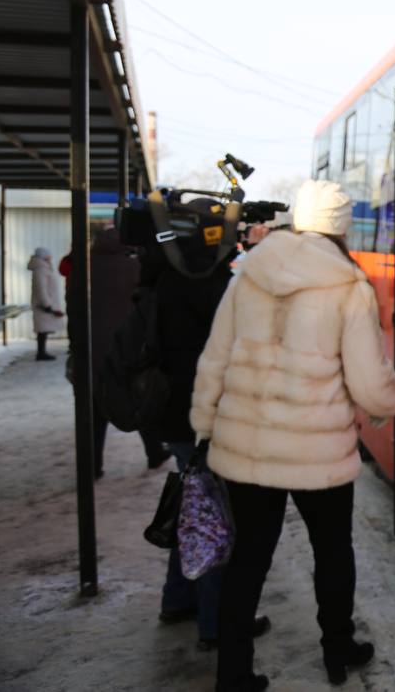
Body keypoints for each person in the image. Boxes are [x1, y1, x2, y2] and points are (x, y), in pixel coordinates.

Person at [192, 180, 395, 691]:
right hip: (318, 451)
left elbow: (215, 356)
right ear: (339, 227)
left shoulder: (251, 272)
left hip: (248, 448)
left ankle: (233, 674)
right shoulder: (348, 284)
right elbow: (370, 382)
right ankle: (338, 650)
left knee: (247, 561)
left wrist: (204, 424)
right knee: (333, 552)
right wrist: (390, 405)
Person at [144, 199, 265, 650]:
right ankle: (216, 623)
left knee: (194, 503)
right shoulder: (214, 286)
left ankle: (177, 598)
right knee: (215, 517)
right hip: (207, 416)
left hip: (173, 414)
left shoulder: (167, 278)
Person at [80, 228, 169, 476]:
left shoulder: (84, 268)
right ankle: (154, 452)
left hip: (92, 349)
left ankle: (93, 465)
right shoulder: (134, 268)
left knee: (96, 410)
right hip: (127, 347)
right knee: (139, 400)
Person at [27, 247, 64, 360]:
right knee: (42, 330)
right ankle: (41, 353)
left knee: (44, 330)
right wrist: (47, 304)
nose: (51, 257)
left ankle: (42, 352)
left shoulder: (43, 268)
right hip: (43, 305)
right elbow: (41, 289)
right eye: (48, 255)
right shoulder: (40, 270)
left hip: (45, 304)